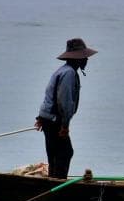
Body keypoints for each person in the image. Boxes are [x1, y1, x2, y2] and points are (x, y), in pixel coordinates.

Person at [35, 38, 97, 178]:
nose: (86, 59)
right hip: (54, 120)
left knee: (54, 154)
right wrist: (65, 126)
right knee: (65, 152)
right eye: (84, 57)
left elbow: (49, 97)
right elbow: (65, 102)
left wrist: (41, 117)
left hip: (48, 119)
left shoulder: (62, 71)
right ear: (77, 59)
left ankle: (52, 180)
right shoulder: (69, 73)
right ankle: (58, 182)